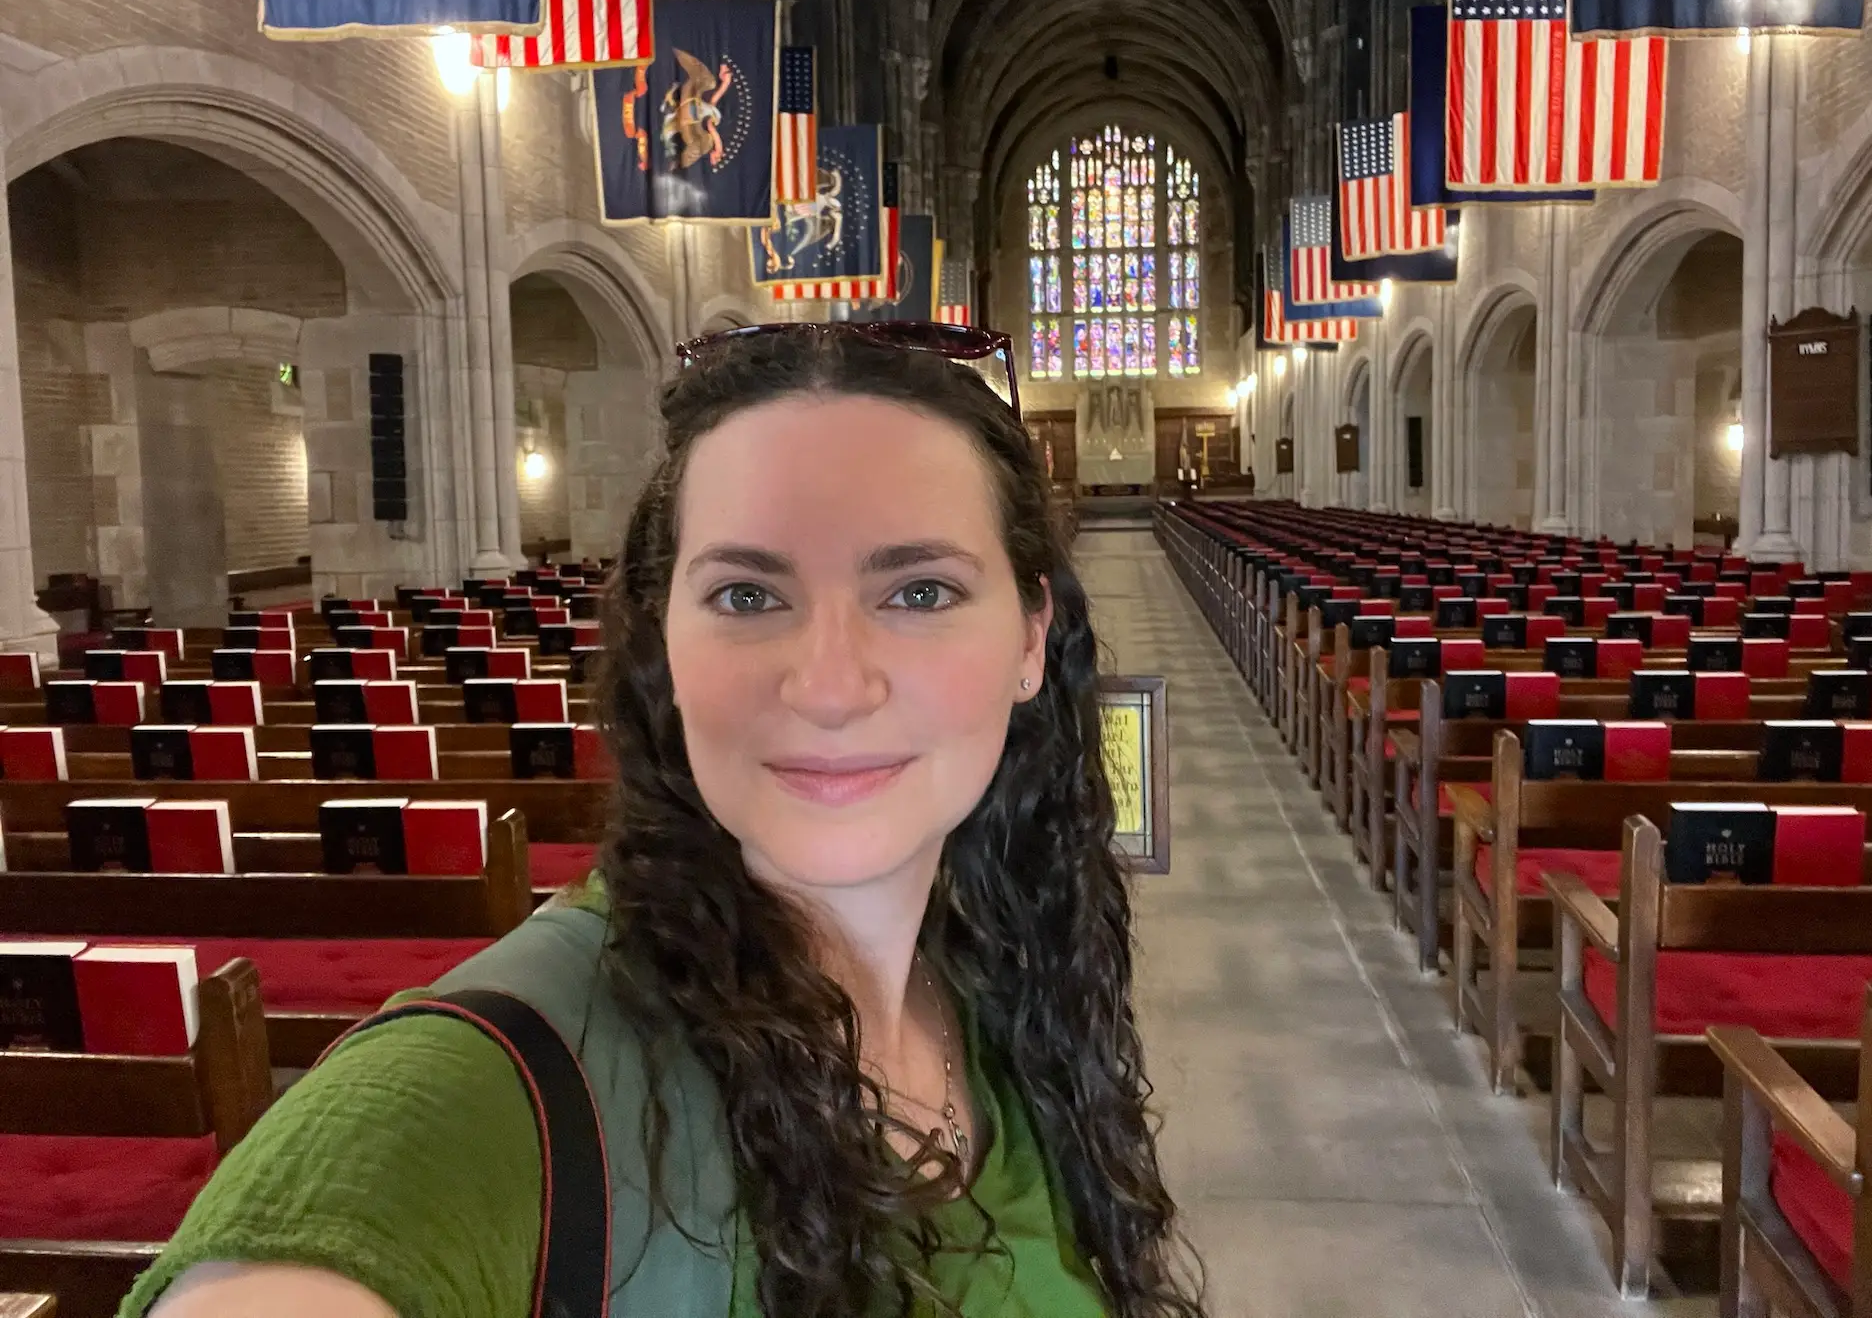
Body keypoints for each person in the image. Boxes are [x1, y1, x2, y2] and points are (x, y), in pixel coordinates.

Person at [127, 323, 1204, 1318]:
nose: (831, 686)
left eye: (919, 591)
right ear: (664, 641)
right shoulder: (493, 1092)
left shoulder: (1005, 979)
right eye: (747, 595)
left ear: (1030, 638)